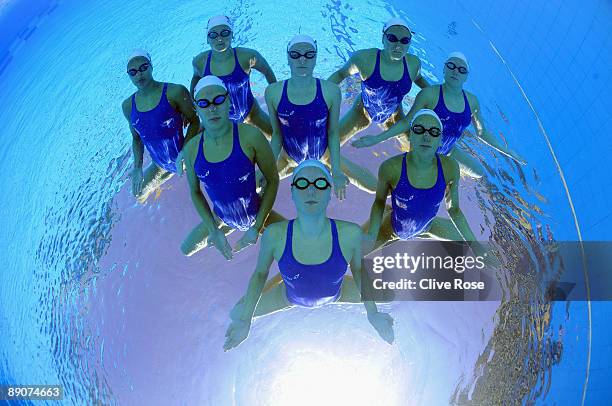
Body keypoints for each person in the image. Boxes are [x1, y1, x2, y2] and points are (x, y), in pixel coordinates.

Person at [224, 160, 395, 351]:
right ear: (292, 192)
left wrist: (373, 314)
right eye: (303, 183)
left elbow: (359, 271)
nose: (311, 191)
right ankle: (290, 271)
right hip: (287, 296)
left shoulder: (350, 233)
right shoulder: (274, 235)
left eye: (320, 184)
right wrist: (246, 320)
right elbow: (259, 275)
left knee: (388, 294)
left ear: (330, 192)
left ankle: (296, 269)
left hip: (338, 292)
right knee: (236, 313)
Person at [352, 52, 526, 178]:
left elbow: (482, 133)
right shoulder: (430, 94)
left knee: (479, 173)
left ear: (466, 76)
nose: (455, 71)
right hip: (423, 148)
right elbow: (406, 122)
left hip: (449, 149)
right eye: (451, 66)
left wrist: (509, 152)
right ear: (444, 70)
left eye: (461, 69)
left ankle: (444, 167)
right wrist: (376, 139)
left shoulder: (472, 101)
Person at [365, 109, 491, 259]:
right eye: (419, 130)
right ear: (410, 135)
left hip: (428, 227)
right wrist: (372, 234)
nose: (426, 136)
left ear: (440, 139)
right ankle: (389, 212)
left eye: (433, 132)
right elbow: (379, 201)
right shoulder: (391, 168)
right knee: (351, 256)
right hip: (392, 228)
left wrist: (475, 245)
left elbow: (454, 209)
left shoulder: (450, 167)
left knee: (479, 248)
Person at [181, 76, 283, 259]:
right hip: (221, 218)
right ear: (196, 109)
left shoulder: (250, 136)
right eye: (204, 104)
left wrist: (256, 227)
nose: (212, 108)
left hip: (257, 211)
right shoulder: (191, 150)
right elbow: (195, 192)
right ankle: (223, 231)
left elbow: (273, 180)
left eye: (218, 100)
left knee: (296, 241)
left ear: (228, 101)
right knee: (186, 250)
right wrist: (213, 229)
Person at [265, 34, 377, 196]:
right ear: (288, 58)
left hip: (325, 155)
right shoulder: (273, 92)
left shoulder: (330, 91)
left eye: (309, 55)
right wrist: (266, 169)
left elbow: (332, 133)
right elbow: (277, 135)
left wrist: (337, 171)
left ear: (315, 58)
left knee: (374, 188)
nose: (302, 60)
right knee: (251, 186)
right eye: (295, 55)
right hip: (287, 158)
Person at [328, 17, 429, 146]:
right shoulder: (364, 59)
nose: (398, 45)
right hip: (363, 110)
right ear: (383, 39)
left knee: (416, 148)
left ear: (409, 43)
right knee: (331, 143)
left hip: (394, 115)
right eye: (392, 38)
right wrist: (320, 95)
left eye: (404, 41)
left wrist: (438, 99)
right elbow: (341, 74)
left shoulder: (413, 64)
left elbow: (419, 79)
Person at [121, 49, 200, 202]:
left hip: (191, 157)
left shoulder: (174, 92)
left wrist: (185, 151)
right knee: (138, 195)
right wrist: (137, 167)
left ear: (151, 66)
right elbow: (136, 139)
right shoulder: (128, 106)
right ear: (129, 75)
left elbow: (195, 121)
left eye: (143, 67)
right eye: (133, 71)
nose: (139, 74)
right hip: (161, 164)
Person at [191, 15, 276, 137]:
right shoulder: (200, 62)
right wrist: (194, 104)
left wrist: (276, 99)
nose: (219, 38)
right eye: (213, 35)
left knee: (281, 140)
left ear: (232, 35)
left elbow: (267, 71)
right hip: (220, 120)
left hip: (251, 112)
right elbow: (195, 78)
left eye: (224, 33)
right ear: (207, 39)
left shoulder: (247, 56)